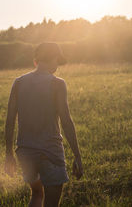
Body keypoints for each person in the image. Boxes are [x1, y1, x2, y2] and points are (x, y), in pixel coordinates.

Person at [4, 42, 83, 207]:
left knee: (37, 194)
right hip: (50, 153)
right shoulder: (57, 84)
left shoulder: (18, 83)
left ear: (36, 61)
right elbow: (66, 122)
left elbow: (10, 120)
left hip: (25, 152)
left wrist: (9, 154)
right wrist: (77, 155)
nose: (57, 66)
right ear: (53, 58)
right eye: (57, 61)